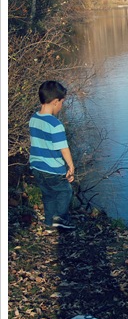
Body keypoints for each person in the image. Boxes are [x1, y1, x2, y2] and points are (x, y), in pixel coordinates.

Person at [29, 80, 76, 229]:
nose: (62, 106)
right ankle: (60, 219)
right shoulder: (55, 125)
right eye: (62, 102)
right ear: (56, 102)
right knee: (65, 191)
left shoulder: (33, 119)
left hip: (36, 166)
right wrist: (71, 166)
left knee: (48, 194)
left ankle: (49, 222)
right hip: (52, 168)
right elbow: (63, 148)